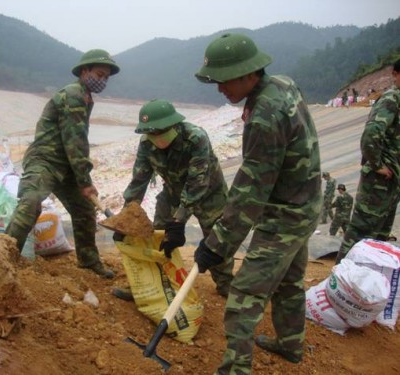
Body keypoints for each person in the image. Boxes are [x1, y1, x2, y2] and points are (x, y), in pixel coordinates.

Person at [193, 33, 322, 374]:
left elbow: (251, 190)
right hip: (306, 204)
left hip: (285, 216)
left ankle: (236, 369)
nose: (221, 89)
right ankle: (290, 345)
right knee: (290, 281)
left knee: (244, 296)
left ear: (250, 73)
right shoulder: (282, 84)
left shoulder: (265, 115)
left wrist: (216, 244)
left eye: (225, 80)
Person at [5, 49, 120, 278]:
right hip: (45, 160)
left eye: (106, 77)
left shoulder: (86, 97)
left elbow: (78, 142)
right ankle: (3, 259)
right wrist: (85, 181)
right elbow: (75, 140)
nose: (102, 80)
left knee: (84, 210)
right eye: (99, 74)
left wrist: (79, 179)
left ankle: (88, 261)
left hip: (66, 165)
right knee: (31, 202)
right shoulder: (73, 95)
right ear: (84, 70)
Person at [113, 99, 234, 300]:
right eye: (152, 133)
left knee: (216, 240)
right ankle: (154, 284)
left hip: (210, 194)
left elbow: (197, 183)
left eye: (161, 131)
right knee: (159, 235)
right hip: (173, 192)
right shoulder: (146, 144)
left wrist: (178, 221)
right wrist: (126, 216)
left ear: (174, 124)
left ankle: (227, 287)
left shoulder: (196, 138)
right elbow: (139, 181)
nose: (157, 138)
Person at [335, 59, 400, 264]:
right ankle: (340, 278)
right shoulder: (392, 99)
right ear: (396, 75)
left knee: (380, 235)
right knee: (361, 231)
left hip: (393, 180)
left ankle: (365, 281)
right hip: (379, 180)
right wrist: (377, 165)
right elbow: (371, 134)